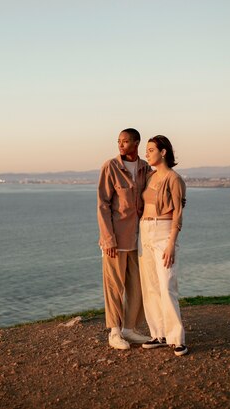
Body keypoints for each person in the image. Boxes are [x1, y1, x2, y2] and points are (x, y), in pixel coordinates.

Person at [97, 128, 152, 350]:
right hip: (116, 240)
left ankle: (130, 328)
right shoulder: (110, 167)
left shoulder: (145, 168)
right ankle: (115, 331)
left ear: (136, 142)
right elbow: (103, 204)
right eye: (119, 141)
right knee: (113, 286)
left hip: (139, 239)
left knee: (137, 285)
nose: (121, 144)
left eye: (125, 141)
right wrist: (108, 238)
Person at [138, 135, 188, 356]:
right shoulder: (149, 177)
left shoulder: (174, 179)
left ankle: (177, 338)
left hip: (164, 231)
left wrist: (171, 244)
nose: (146, 154)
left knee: (167, 286)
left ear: (163, 152)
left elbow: (178, 213)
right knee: (150, 287)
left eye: (150, 150)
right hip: (145, 232)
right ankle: (158, 334)